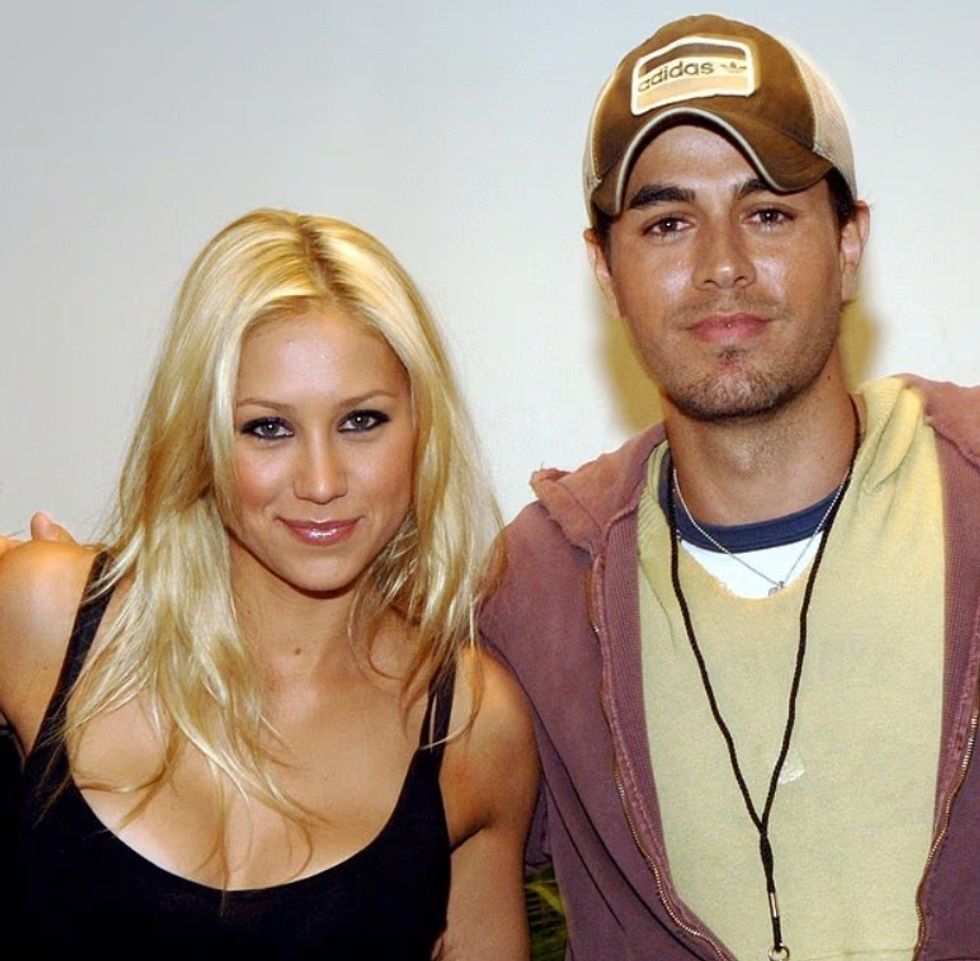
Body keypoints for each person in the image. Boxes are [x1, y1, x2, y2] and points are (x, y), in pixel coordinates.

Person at [480, 13, 980, 961]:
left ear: (849, 244)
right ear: (604, 270)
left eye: (768, 213)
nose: (721, 265)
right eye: (667, 222)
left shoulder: (970, 485)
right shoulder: (537, 591)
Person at [0, 208, 538, 958]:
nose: (321, 481)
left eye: (362, 421)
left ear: (424, 428)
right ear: (199, 434)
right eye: (267, 428)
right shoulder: (43, 615)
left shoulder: (472, 727)